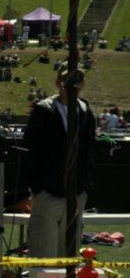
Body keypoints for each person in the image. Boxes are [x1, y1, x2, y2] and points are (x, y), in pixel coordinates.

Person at [22, 67, 96, 262]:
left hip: (76, 194)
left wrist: (84, 187)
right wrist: (37, 188)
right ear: (58, 82)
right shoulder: (44, 110)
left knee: (69, 257)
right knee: (44, 255)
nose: (72, 83)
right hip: (47, 193)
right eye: (67, 78)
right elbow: (30, 150)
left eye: (77, 79)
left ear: (83, 83)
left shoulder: (86, 111)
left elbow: (89, 152)